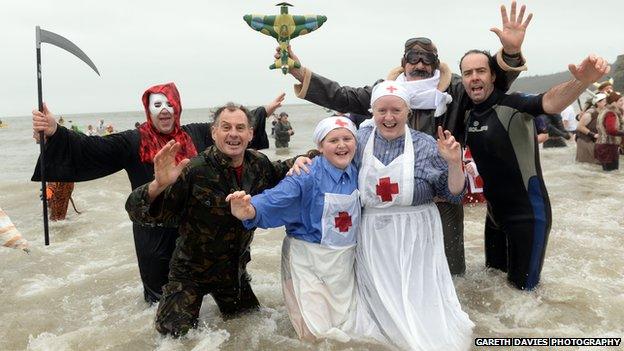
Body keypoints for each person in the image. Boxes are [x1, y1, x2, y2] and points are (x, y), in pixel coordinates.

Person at [280, 1, 532, 275]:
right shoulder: (385, 92)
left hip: (442, 197)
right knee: (391, 272)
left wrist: (510, 52)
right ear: (403, 62)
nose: (420, 64)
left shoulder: (457, 90)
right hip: (390, 201)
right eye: (413, 57)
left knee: (450, 274)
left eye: (428, 58)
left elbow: (490, 85)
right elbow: (343, 95)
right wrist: (298, 70)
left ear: (437, 63)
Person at [31, 82, 282, 304]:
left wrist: (264, 112)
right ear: (148, 110)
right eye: (157, 104)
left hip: (195, 233)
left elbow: (232, 131)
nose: (164, 109)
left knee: (214, 291)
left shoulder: (194, 134)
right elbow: (93, 148)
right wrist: (55, 132)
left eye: (169, 103)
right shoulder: (133, 141)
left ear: (178, 107)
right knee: (158, 301)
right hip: (153, 231)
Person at [125, 103, 304, 337]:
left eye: (240, 128)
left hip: (232, 272)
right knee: (172, 338)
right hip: (189, 274)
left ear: (250, 133)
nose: (233, 134)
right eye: (226, 127)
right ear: (213, 132)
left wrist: (305, 158)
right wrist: (158, 185)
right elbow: (138, 213)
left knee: (253, 328)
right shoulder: (195, 170)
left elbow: (283, 170)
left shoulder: (258, 164)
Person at [459, 50, 610, 290]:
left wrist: (583, 81)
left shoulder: (514, 104)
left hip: (527, 217)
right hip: (494, 217)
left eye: (481, 71)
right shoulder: (465, 112)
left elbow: (550, 101)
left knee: (524, 299)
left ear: (493, 76)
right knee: (492, 289)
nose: (474, 77)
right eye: (468, 73)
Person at [349, 81, 473, 350]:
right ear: (372, 111)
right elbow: (330, 161)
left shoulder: (426, 144)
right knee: (379, 303)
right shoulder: (358, 141)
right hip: (373, 235)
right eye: (382, 110)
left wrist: (455, 162)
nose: (389, 117)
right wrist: (301, 161)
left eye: (396, 110)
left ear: (408, 112)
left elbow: (453, 194)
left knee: (419, 299)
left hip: (417, 232)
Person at [226, 116, 360, 343]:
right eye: (333, 140)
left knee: (344, 327)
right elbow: (277, 198)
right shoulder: (306, 175)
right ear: (320, 146)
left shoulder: (359, 171)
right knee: (312, 333)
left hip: (342, 261)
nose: (341, 145)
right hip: (306, 260)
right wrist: (249, 210)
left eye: (347, 138)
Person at [595, 91, 624, 171]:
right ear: (614, 102)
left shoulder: (604, 110)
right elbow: (611, 130)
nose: (623, 102)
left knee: (607, 175)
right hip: (608, 147)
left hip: (602, 145)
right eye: (620, 101)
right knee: (611, 173)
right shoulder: (611, 113)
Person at [576, 93, 606, 164]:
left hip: (596, 141)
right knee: (588, 163)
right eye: (604, 101)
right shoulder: (590, 113)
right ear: (598, 103)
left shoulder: (603, 112)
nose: (606, 103)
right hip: (585, 140)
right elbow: (579, 126)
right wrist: (593, 134)